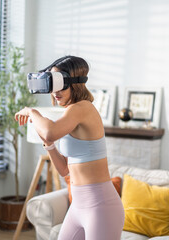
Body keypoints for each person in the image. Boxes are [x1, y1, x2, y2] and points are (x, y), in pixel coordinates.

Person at [14, 56, 124, 240]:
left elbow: (50, 131)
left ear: (75, 84)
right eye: (53, 85)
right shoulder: (70, 112)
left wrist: (32, 112)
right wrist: (49, 146)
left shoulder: (83, 108)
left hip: (100, 207)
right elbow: (65, 169)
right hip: (78, 208)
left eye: (60, 85)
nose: (56, 92)